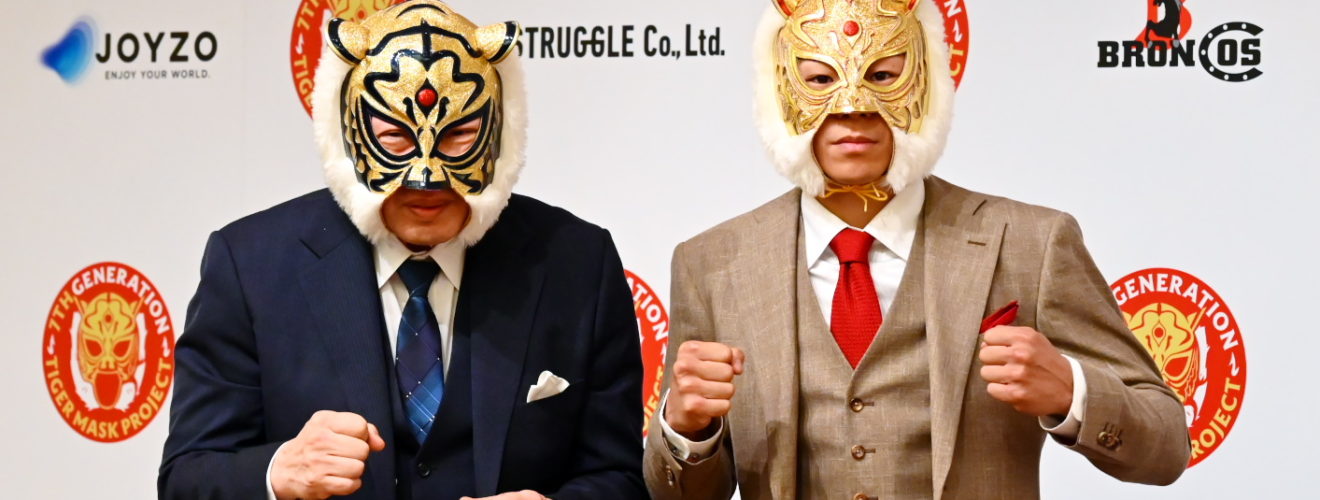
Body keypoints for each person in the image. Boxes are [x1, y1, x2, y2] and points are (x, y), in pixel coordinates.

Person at [643, 1, 1191, 498]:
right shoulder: (711, 264)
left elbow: (1166, 446)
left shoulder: (1031, 242)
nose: (853, 107)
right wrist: (688, 429)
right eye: (820, 79)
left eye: (883, 76)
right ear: (781, 90)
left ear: (926, 82)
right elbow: (682, 495)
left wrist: (1071, 392)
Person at [159, 2, 646, 499]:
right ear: (348, 132)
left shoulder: (577, 262)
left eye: (459, 135)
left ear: (501, 129)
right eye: (394, 136)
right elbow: (186, 478)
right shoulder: (251, 265)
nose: (426, 176)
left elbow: (621, 477)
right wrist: (276, 473)